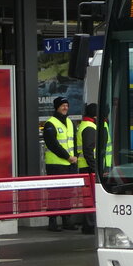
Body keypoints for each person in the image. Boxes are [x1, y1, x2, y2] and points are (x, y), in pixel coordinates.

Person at [42, 95, 76, 232]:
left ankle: (66, 220)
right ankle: (52, 221)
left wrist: (74, 158)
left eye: (67, 105)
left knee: (68, 193)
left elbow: (73, 142)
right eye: (63, 105)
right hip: (56, 164)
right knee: (55, 193)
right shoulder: (50, 123)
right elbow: (53, 144)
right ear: (57, 107)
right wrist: (68, 157)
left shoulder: (69, 122)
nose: (65, 107)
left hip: (70, 164)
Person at [75, 103, 100, 234]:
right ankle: (90, 226)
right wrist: (95, 167)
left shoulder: (86, 125)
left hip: (85, 166)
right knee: (91, 197)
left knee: (88, 197)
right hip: (88, 168)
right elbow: (88, 150)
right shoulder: (90, 127)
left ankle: (88, 225)